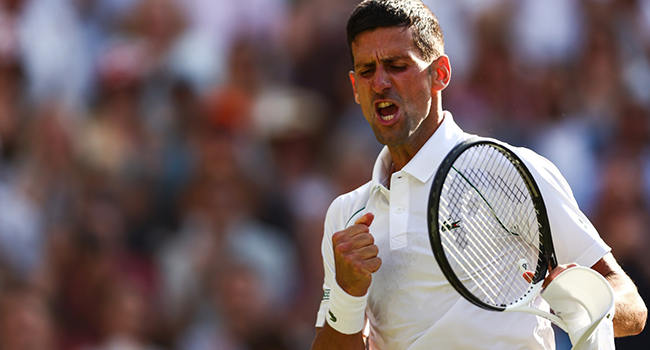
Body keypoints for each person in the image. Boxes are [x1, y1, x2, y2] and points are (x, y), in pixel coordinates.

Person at [310, 1, 648, 349]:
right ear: (354, 87)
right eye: (366, 70)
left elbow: (632, 309)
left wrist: (583, 305)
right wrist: (347, 296)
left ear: (440, 73)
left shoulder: (513, 171)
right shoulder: (344, 216)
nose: (379, 82)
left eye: (397, 66)